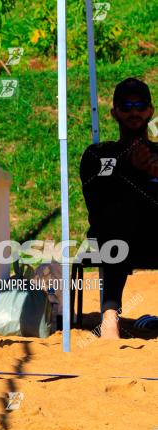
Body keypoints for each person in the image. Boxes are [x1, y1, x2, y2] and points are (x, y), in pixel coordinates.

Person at [80, 78, 158, 339]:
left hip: (153, 237)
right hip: (114, 237)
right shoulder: (99, 154)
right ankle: (109, 315)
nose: (133, 111)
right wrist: (130, 167)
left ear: (150, 111)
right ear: (114, 112)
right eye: (126, 106)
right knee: (118, 214)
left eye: (140, 105)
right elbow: (96, 201)